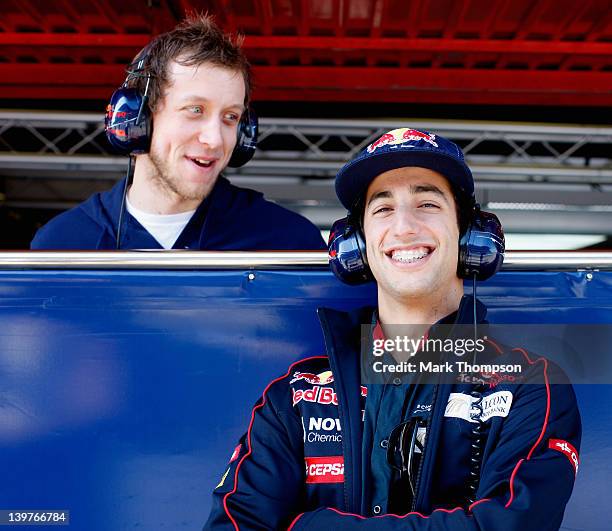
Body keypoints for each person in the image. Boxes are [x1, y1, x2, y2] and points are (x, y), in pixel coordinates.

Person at [204, 128, 581, 530]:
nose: (404, 227)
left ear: (470, 235)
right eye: (383, 209)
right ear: (355, 245)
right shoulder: (295, 396)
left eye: (427, 203)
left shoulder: (529, 386)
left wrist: (309, 525)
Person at [30, 14, 325, 251]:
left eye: (230, 117)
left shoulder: (290, 242)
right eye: (195, 110)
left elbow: (363, 329)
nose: (215, 139)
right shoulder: (63, 243)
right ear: (139, 119)